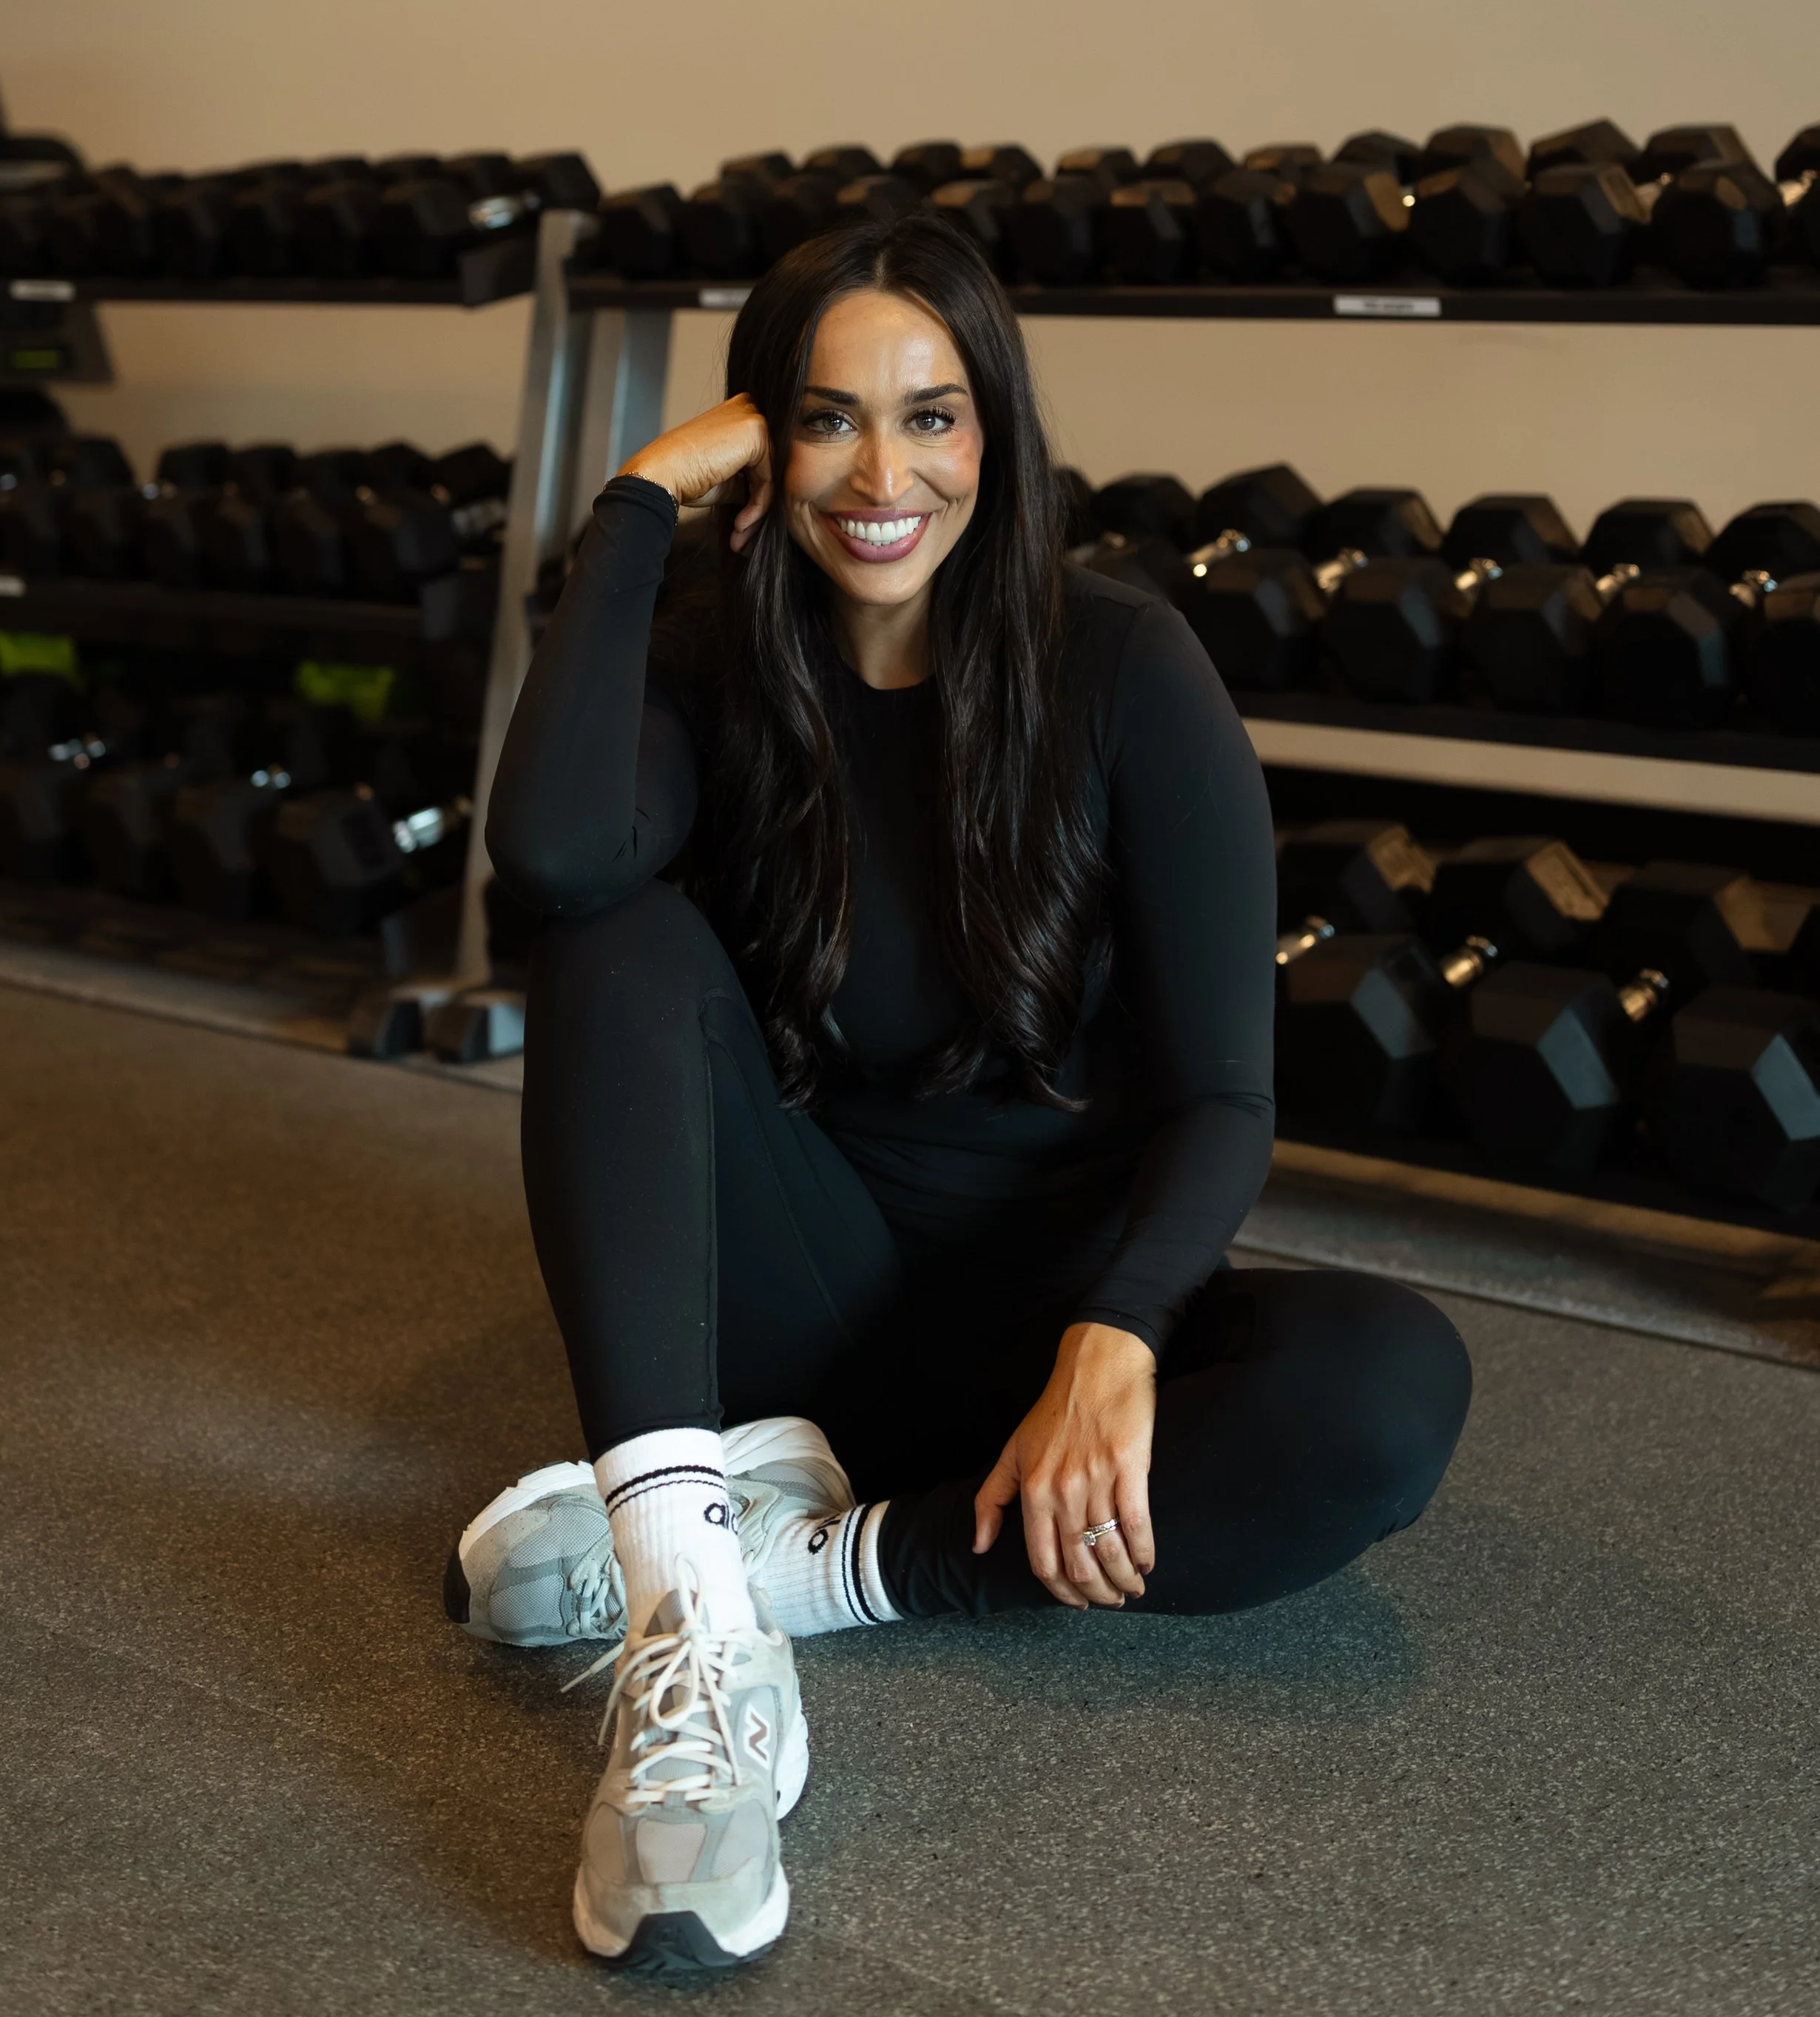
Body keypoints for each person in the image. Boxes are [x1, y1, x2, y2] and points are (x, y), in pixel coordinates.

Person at [460, 215, 1472, 1977]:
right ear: (760, 445)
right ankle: (690, 1607)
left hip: (1048, 1339)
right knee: (614, 948)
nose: (882, 473)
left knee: (1388, 1388)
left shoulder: (1122, 668)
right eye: (825, 417)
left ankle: (757, 1570)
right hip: (806, 1302)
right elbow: (550, 858)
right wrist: (632, 506)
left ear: (992, 436)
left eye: (930, 417)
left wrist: (1124, 1331)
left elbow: (1228, 1092)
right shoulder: (714, 655)